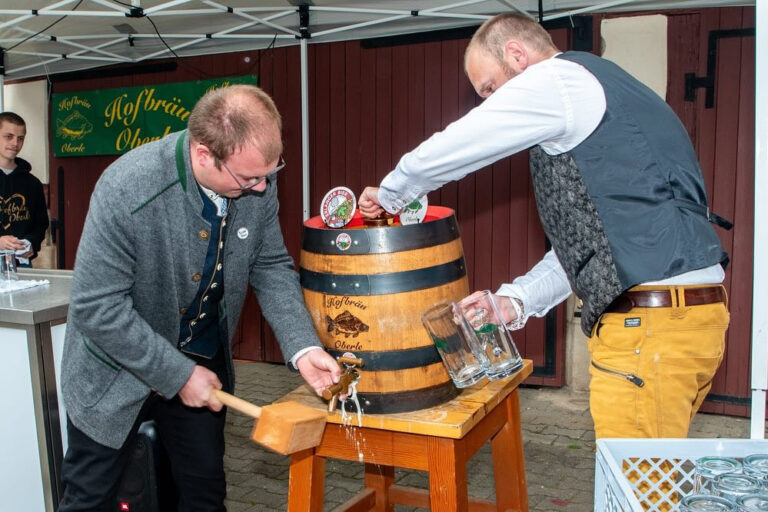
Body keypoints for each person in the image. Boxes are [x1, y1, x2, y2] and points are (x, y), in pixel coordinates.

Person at [359, 13, 731, 440]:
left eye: (489, 88)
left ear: (517, 55)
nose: (489, 103)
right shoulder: (613, 92)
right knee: (657, 486)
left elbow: (465, 140)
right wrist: (514, 302)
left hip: (649, 329)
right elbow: (595, 246)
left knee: (634, 494)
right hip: (691, 320)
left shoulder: (558, 81)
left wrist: (392, 193)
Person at [59, 84, 341, 511]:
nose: (263, 188)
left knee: (202, 495)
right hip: (116, 371)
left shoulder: (255, 178)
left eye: (269, 173)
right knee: (91, 498)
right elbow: (97, 307)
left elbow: (269, 264)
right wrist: (176, 374)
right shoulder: (127, 187)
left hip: (201, 361)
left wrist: (303, 347)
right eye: (249, 179)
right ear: (205, 154)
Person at [0, 112, 48, 266]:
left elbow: (40, 224)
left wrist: (31, 243)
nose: (15, 143)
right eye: (9, 136)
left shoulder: (32, 183)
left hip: (21, 264)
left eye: (20, 138)